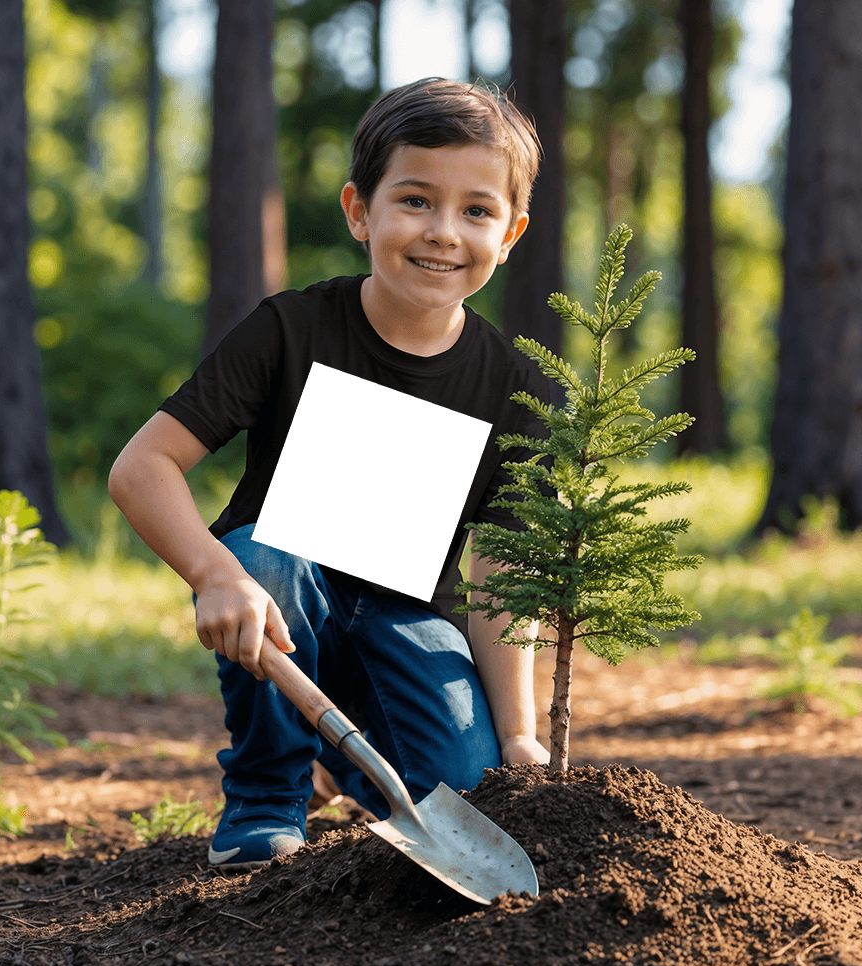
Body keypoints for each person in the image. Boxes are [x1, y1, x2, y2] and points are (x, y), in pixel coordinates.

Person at [108, 77, 556, 870]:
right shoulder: (292, 330)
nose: (444, 232)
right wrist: (214, 574)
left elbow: (504, 571)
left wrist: (520, 734)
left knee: (467, 780)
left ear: (512, 230)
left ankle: (338, 757)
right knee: (262, 556)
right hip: (283, 594)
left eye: (477, 211)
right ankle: (265, 794)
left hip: (405, 616)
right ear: (360, 210)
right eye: (415, 200)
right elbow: (142, 468)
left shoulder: (511, 387)